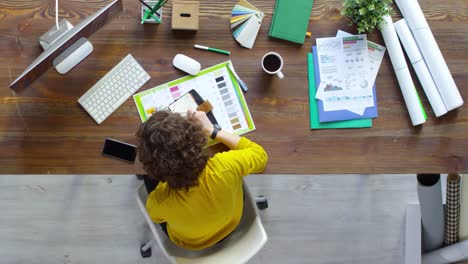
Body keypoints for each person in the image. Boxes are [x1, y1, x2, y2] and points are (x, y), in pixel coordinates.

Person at [136, 109, 268, 250]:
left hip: (192, 242)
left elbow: (156, 217)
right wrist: (212, 130)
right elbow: (260, 156)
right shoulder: (226, 166)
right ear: (197, 139)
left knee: (146, 180)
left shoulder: (160, 200)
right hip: (232, 222)